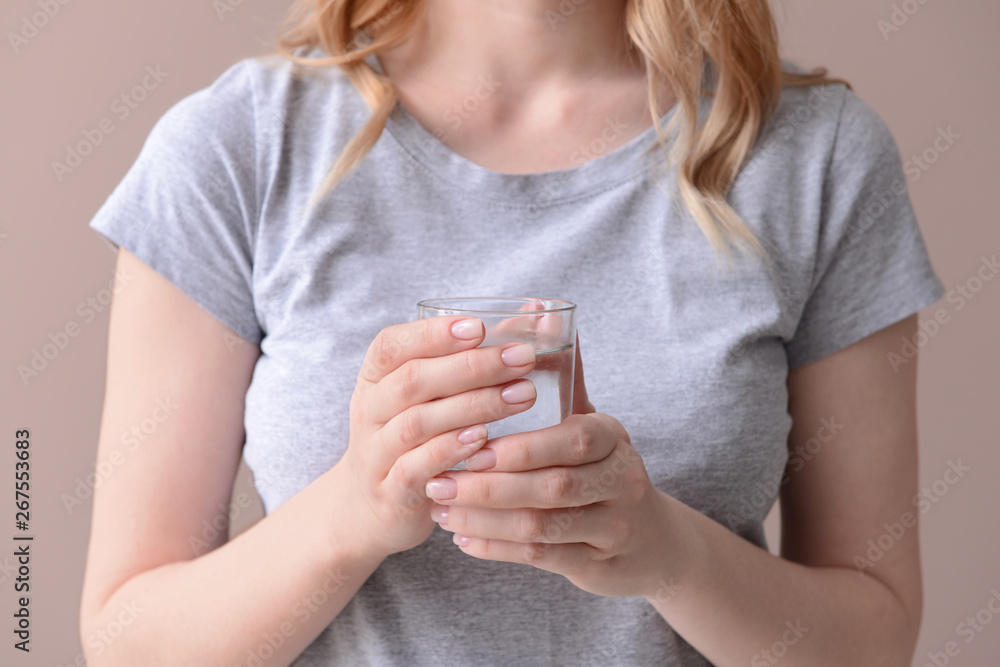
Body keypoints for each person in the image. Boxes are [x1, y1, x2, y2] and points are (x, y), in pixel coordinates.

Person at [78, 0, 945, 665]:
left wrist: (665, 552)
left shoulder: (818, 158)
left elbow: (873, 634)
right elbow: (127, 636)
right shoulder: (237, 149)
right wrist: (352, 513)